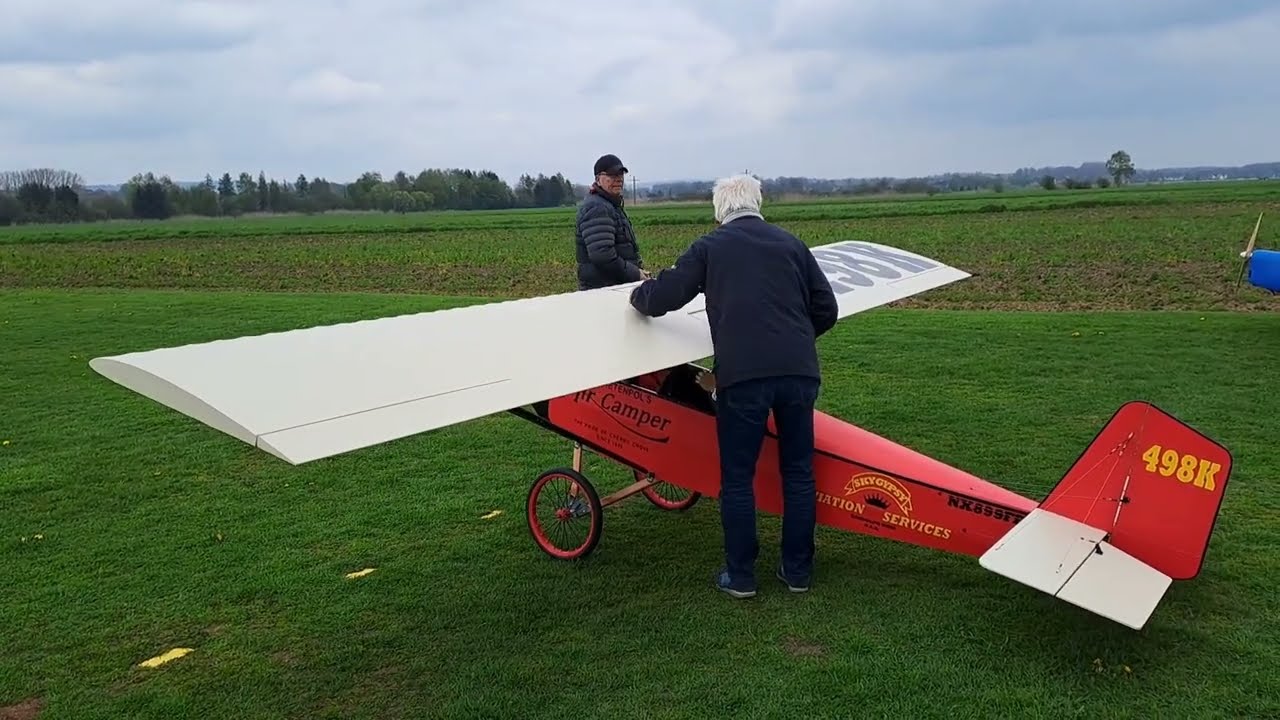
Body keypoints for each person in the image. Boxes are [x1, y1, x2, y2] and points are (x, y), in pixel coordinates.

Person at [628, 174, 839, 599]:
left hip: (743, 378)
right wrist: (793, 341)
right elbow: (826, 309)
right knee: (798, 472)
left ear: (719, 209)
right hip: (799, 373)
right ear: (758, 203)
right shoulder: (791, 245)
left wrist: (637, 296)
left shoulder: (711, 247)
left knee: (738, 477)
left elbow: (663, 296)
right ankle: (797, 571)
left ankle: (741, 576)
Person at [575, 154, 648, 290]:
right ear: (598, 179)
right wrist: (635, 273)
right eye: (612, 176)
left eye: (621, 175)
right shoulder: (597, 207)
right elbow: (602, 255)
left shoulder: (610, 204)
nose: (619, 180)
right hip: (603, 290)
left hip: (615, 286)